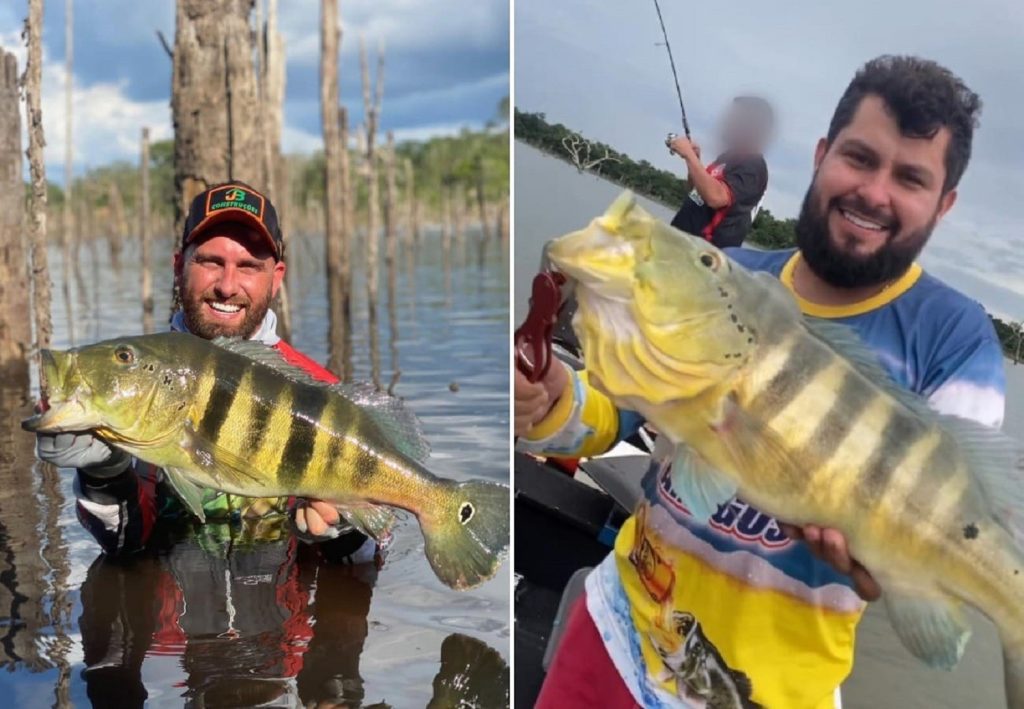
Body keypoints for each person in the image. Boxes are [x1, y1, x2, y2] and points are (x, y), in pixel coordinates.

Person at [516, 55, 1004, 708]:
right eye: (859, 157)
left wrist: (881, 564)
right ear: (823, 154)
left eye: (910, 177)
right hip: (615, 635)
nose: (874, 191)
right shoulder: (736, 275)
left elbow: (960, 516)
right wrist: (550, 396)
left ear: (943, 204)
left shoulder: (956, 338)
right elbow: (607, 413)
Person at [34, 181, 377, 561]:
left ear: (276, 278)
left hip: (281, 616)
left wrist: (341, 531)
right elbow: (125, 547)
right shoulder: (141, 388)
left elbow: (367, 558)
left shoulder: (322, 396)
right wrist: (103, 474)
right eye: (211, 262)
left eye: (248, 266)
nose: (228, 286)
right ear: (180, 265)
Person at [668, 95, 773, 248]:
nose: (728, 122)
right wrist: (694, 160)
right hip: (681, 246)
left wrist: (688, 155)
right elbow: (696, 191)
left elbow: (716, 198)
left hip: (702, 257)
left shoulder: (754, 167)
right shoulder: (727, 157)